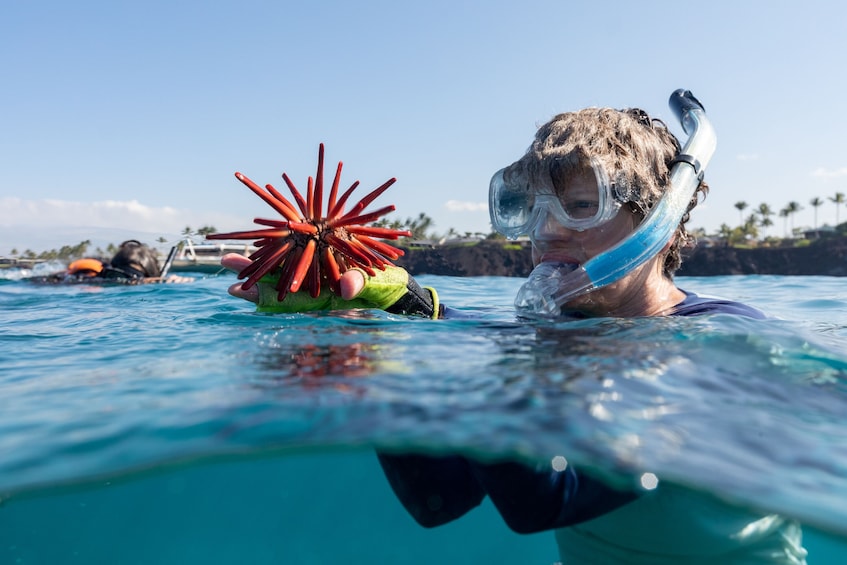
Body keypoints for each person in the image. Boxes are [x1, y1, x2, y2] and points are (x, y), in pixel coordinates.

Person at [220, 92, 807, 563]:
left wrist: (490, 363)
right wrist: (368, 344)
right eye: (532, 208)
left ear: (665, 225)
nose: (547, 233)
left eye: (581, 206)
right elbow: (439, 501)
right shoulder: (552, 333)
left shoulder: (719, 342)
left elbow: (547, 500)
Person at [30, 240, 193, 284]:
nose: (130, 281)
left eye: (134, 276)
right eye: (124, 275)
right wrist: (158, 280)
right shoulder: (90, 276)